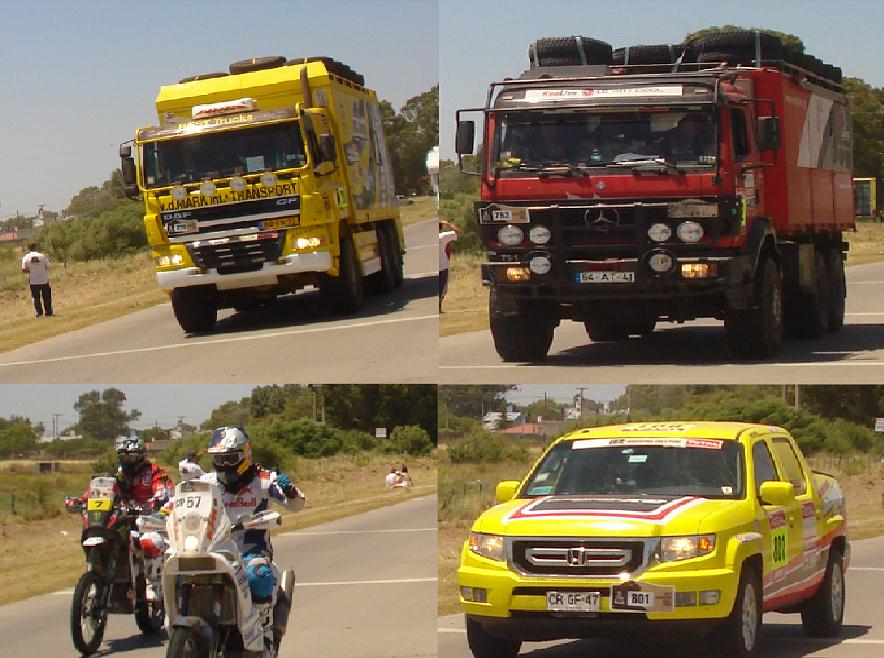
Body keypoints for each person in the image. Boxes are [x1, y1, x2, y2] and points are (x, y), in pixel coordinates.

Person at [202, 426, 305, 636]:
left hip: (251, 552)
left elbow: (296, 505)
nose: (224, 466)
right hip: (212, 550)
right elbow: (177, 503)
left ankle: (264, 631)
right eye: (219, 460)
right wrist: (164, 512)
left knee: (257, 576)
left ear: (245, 456)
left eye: (229, 459)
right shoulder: (206, 482)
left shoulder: (264, 479)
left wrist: (290, 491)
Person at [82, 436, 173, 601]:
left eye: (130, 456)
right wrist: (83, 500)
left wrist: (155, 501)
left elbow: (165, 491)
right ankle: (97, 579)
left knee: (149, 542)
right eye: (123, 456)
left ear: (140, 456)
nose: (126, 461)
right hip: (123, 519)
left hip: (149, 520)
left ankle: (153, 584)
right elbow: (100, 492)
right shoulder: (118, 475)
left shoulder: (155, 473)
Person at [21, 242, 53, 318]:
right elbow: (48, 266)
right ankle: (48, 313)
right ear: (35, 247)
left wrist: (31, 270)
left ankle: (39, 313)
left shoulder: (25, 258)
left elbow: (23, 269)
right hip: (43, 280)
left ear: (28, 248)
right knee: (46, 297)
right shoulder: (41, 256)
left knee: (35, 297)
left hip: (33, 281)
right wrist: (41, 269)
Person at [439, 220, 461, 312]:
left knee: (440, 288)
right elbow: (458, 232)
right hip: (443, 266)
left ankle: (438, 306)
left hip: (441, 265)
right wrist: (448, 224)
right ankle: (438, 306)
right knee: (442, 287)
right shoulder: (442, 236)